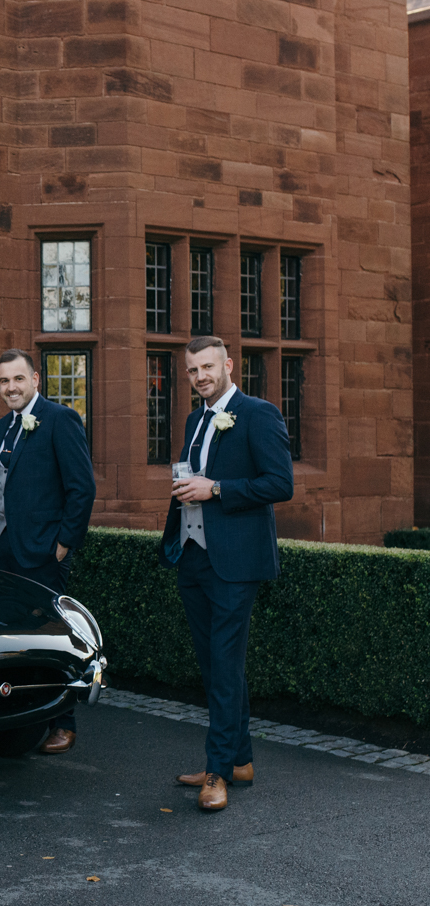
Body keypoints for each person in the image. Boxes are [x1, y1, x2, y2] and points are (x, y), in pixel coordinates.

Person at [161, 336, 293, 812]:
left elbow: (281, 483)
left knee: (223, 663)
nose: (200, 376)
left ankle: (216, 771)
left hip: (236, 562)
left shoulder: (259, 413)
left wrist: (214, 488)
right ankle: (240, 760)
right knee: (216, 664)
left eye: (207, 367)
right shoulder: (196, 418)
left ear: (228, 365)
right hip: (194, 555)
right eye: (192, 370)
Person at [0, 348, 96, 754]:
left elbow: (82, 488)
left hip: (44, 552)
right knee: (8, 636)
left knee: (51, 638)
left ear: (35, 380)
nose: (10, 387)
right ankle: (19, 719)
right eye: (3, 381)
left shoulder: (60, 419)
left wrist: (64, 545)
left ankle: (63, 723)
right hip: (5, 549)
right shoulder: (2, 427)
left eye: (17, 379)